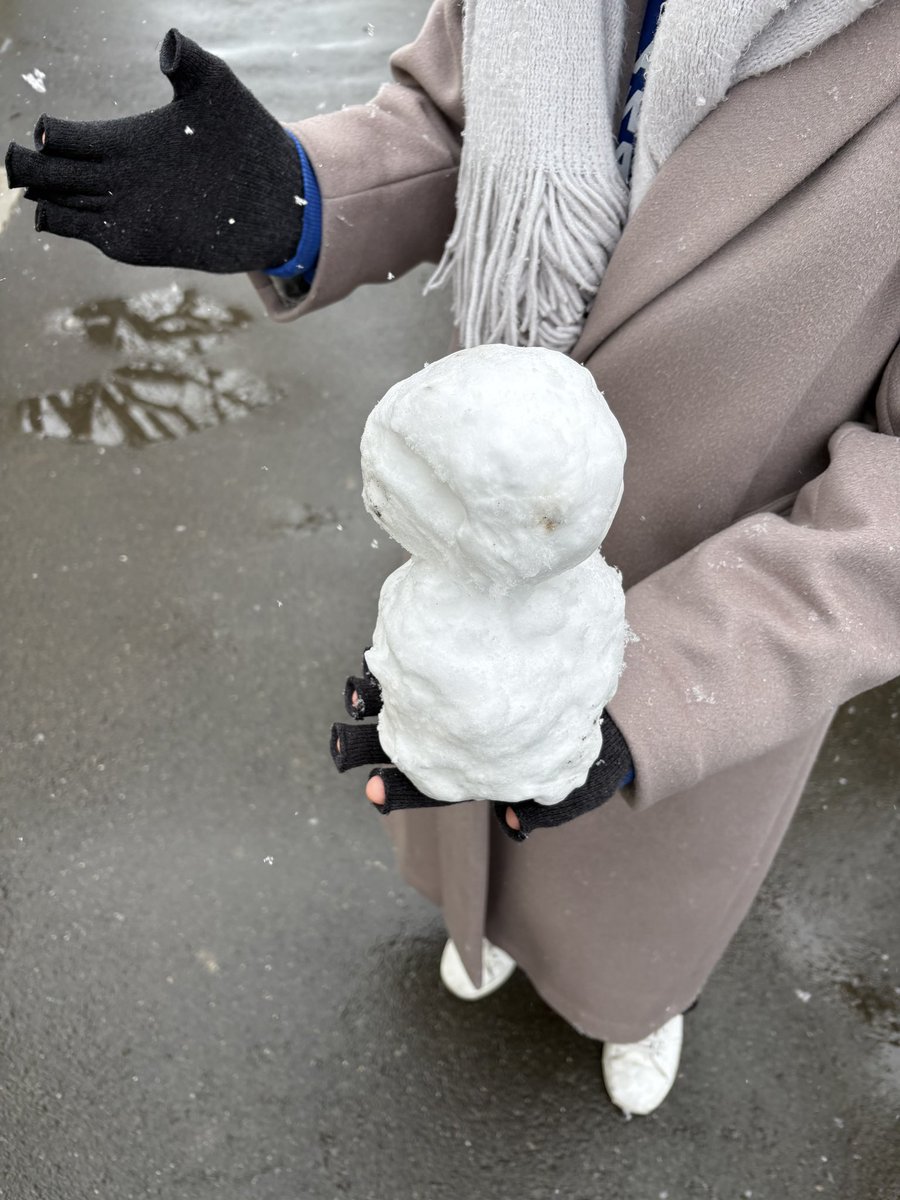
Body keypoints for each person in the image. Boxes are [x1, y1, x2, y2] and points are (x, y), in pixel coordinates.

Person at [7, 1, 900, 1117]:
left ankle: (633, 1004)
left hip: (718, 610)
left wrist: (650, 700)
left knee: (638, 886)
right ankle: (481, 927)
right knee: (458, 794)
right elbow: (451, 123)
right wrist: (299, 198)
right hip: (482, 556)